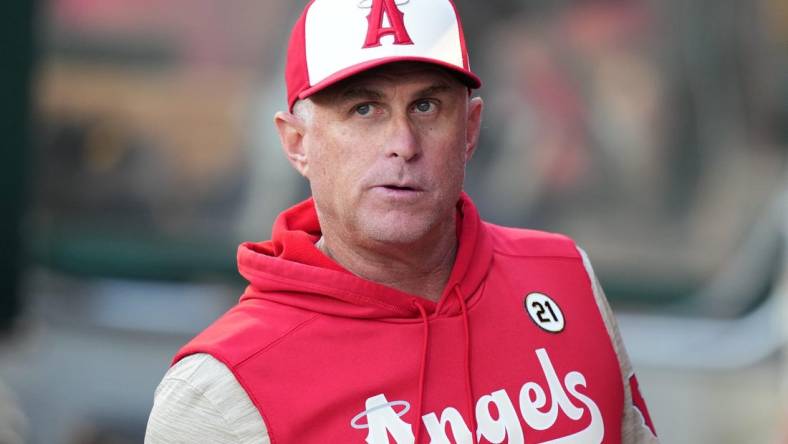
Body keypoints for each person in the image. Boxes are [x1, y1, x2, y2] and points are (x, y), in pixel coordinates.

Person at [145, 0, 659, 442]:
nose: (403, 145)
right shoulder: (221, 393)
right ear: (297, 143)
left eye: (427, 106)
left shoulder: (566, 278)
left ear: (472, 129)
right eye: (364, 109)